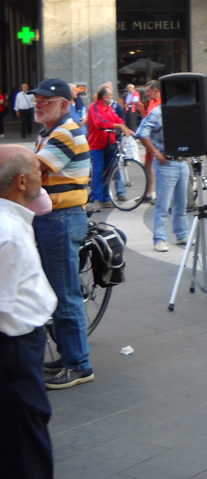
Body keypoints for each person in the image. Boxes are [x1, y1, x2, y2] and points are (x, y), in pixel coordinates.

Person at [29, 78, 95, 389]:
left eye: (46, 100)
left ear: (64, 105)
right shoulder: (50, 132)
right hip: (53, 218)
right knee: (57, 291)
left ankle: (79, 365)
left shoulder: (65, 132)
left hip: (61, 218)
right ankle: (69, 354)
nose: (38, 104)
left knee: (65, 293)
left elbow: (32, 173)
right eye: (37, 99)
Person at [0, 146, 58, 476]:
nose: (43, 176)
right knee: (25, 443)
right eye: (37, 170)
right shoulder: (7, 232)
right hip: (16, 348)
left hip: (20, 345)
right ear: (21, 182)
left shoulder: (13, 220)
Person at [135, 103, 190, 253]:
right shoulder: (157, 112)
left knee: (181, 204)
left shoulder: (180, 111)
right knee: (163, 205)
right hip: (166, 163)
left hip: (181, 162)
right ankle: (159, 238)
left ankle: (181, 235)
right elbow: (140, 133)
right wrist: (155, 153)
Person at [86, 85, 133, 208]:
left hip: (109, 143)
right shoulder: (94, 107)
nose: (112, 96)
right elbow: (99, 123)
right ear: (105, 97)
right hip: (97, 144)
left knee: (108, 171)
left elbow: (117, 119)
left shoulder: (109, 108)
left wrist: (124, 127)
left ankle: (105, 197)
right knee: (98, 171)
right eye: (110, 94)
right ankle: (96, 198)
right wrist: (119, 126)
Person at [143, 80, 162, 203]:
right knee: (148, 165)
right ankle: (148, 192)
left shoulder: (160, 103)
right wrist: (141, 111)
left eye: (148, 91)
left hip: (156, 143)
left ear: (156, 91)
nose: (146, 94)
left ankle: (158, 195)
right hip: (150, 141)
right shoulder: (151, 102)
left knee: (157, 167)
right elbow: (148, 120)